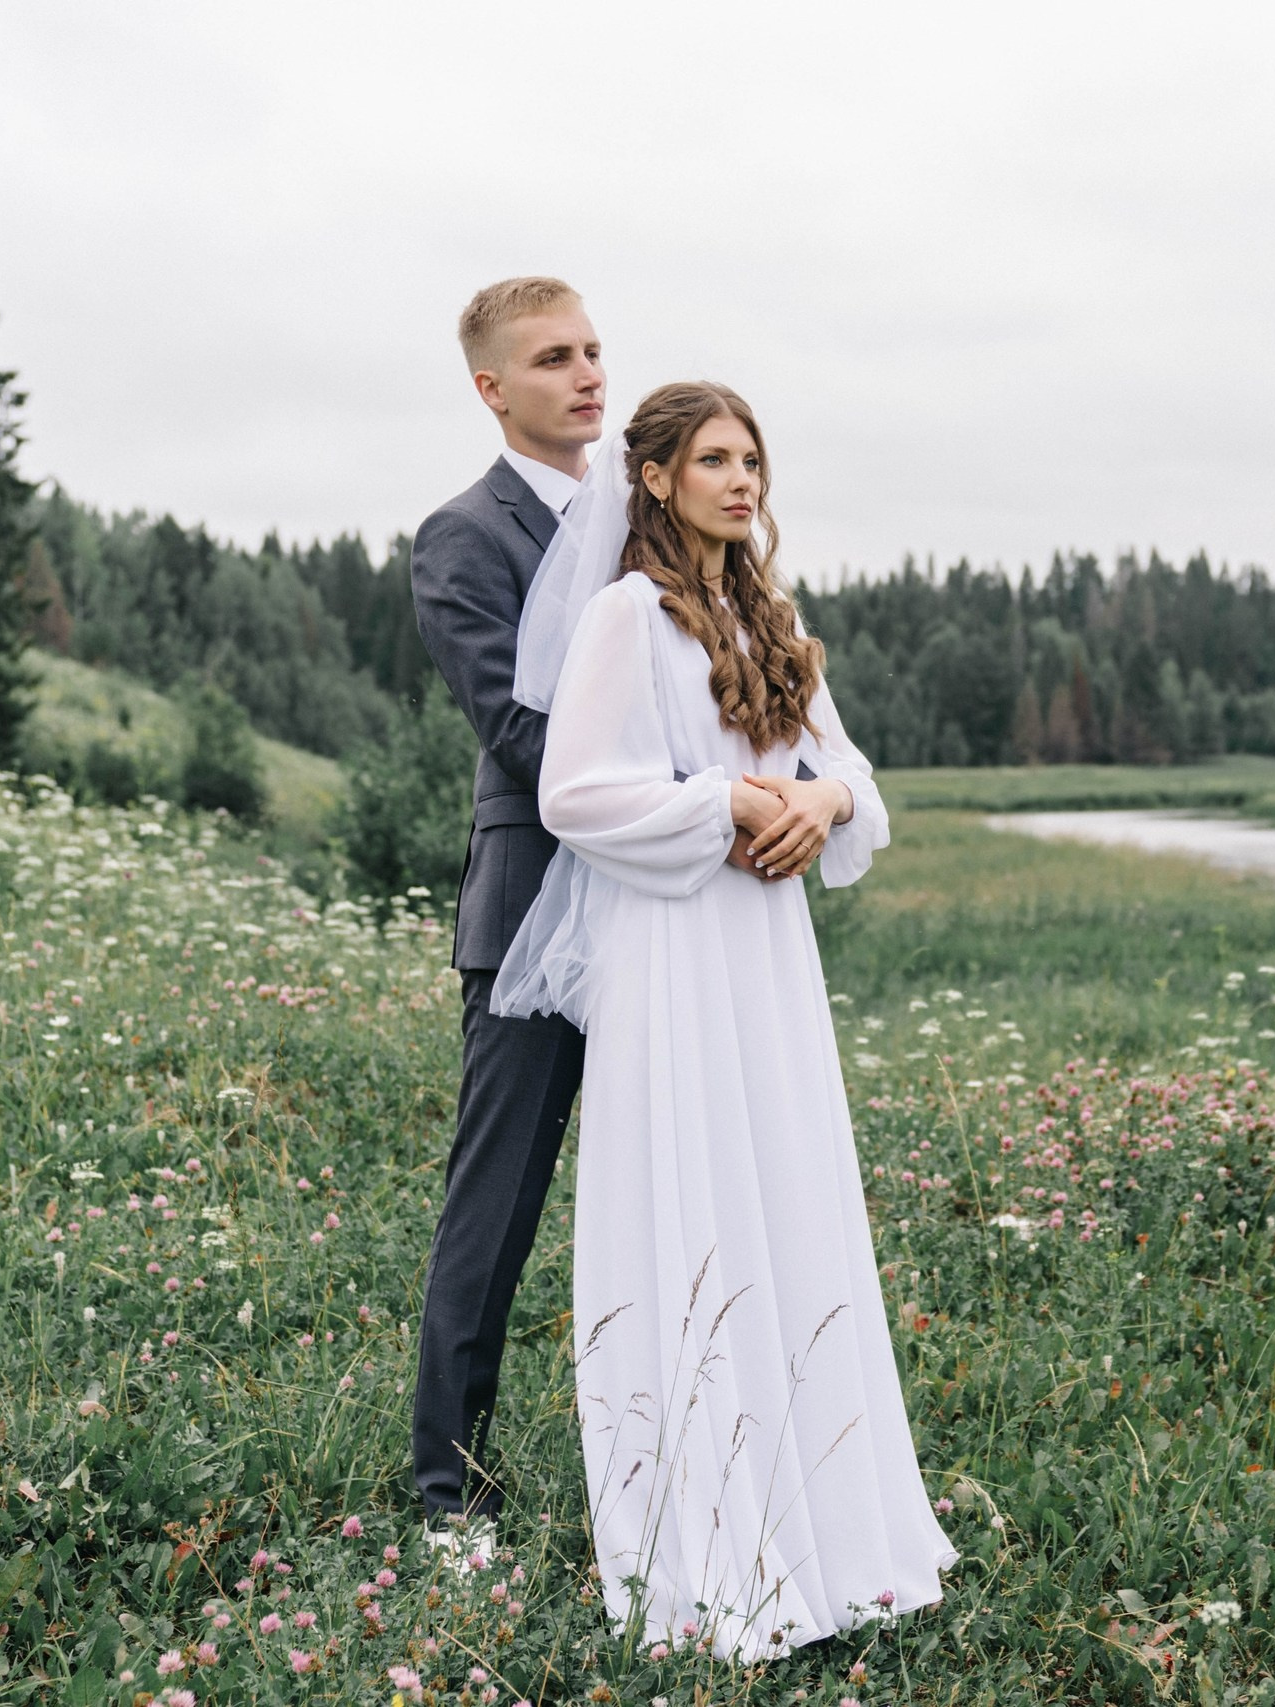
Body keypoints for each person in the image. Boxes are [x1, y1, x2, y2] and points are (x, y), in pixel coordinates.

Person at [488, 381, 954, 1658]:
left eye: (751, 460)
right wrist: (733, 805)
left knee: (787, 1191)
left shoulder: (770, 617)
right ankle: (705, 1541)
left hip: (767, 951)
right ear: (653, 478)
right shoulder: (626, 617)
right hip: (674, 940)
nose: (742, 481)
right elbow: (576, 793)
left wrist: (823, 807)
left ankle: (833, 1527)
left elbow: (847, 769)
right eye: (713, 460)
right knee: (693, 1197)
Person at [407, 276, 604, 1537]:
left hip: (669, 920)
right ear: (491, 388)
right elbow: (523, 736)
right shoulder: (463, 537)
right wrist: (703, 802)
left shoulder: (643, 519)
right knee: (495, 1215)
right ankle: (447, 1500)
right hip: (534, 913)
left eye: (592, 351)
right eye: (552, 359)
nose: (586, 375)